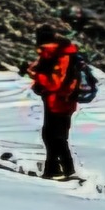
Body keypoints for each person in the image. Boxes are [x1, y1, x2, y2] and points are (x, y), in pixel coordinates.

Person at [26, 22, 90, 180]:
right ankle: (55, 170)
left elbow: (54, 83)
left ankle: (64, 170)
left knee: (55, 137)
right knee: (52, 136)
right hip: (58, 100)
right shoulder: (55, 54)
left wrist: (36, 75)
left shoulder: (60, 56)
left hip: (60, 100)